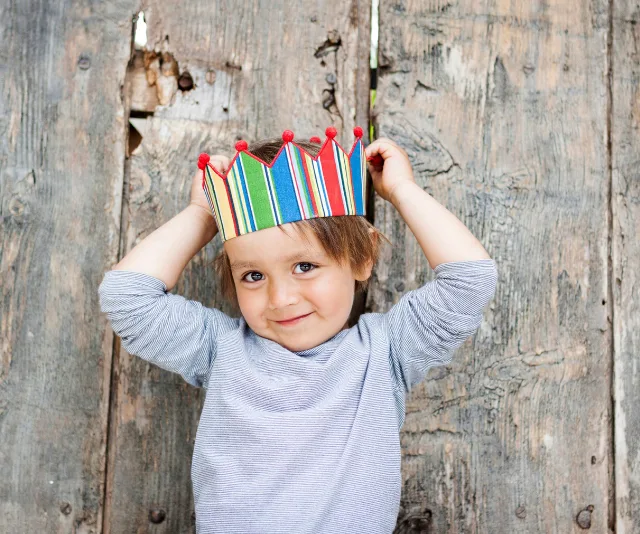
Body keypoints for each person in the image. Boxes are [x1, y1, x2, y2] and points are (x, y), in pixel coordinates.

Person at [98, 128, 498, 534]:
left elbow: (469, 282)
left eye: (305, 266)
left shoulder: (384, 353)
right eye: (253, 275)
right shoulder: (221, 350)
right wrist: (202, 216)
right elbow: (126, 298)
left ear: (364, 258)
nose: (281, 298)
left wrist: (402, 190)